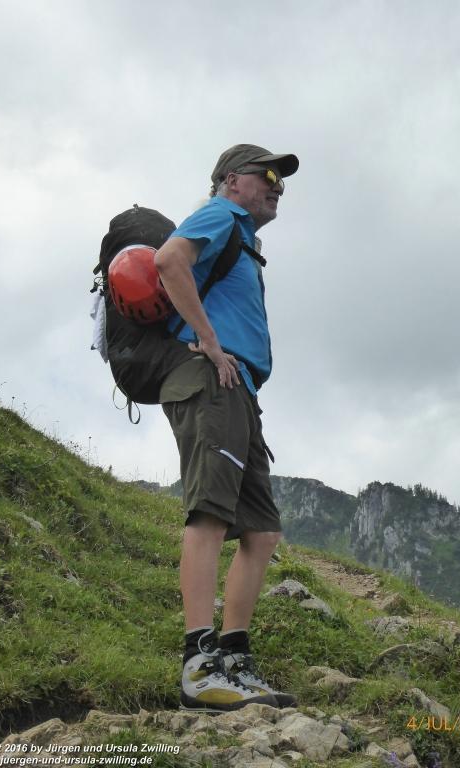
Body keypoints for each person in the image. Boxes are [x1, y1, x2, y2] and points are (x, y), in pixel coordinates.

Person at [154, 144, 299, 713]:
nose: (276, 186)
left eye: (281, 181)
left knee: (260, 532)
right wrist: (210, 342)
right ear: (230, 180)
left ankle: (235, 659)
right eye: (267, 175)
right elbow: (170, 261)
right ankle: (198, 664)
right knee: (211, 513)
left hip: (239, 389)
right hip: (210, 378)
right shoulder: (220, 214)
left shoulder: (247, 239)